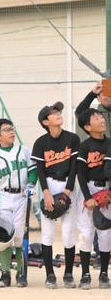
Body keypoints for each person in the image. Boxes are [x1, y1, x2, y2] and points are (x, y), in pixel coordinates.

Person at [31, 102, 79, 289]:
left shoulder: (72, 138)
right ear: (45, 121)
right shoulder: (41, 142)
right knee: (48, 232)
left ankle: (68, 274)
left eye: (58, 111)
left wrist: (67, 192)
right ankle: (50, 274)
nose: (58, 114)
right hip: (49, 186)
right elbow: (40, 170)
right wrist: (46, 193)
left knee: (68, 233)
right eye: (53, 113)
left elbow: (74, 166)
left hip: (69, 185)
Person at [0, 119, 37, 288]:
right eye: (6, 130)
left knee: (19, 235)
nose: (11, 132)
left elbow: (33, 170)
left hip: (22, 195)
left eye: (12, 128)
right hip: (4, 197)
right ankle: (6, 273)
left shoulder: (23, 150)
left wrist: (31, 183)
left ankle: (21, 273)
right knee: (5, 236)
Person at [77, 109, 110, 289]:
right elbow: (81, 174)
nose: (101, 119)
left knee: (106, 233)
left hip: (107, 190)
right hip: (88, 188)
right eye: (96, 118)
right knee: (86, 233)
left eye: (101, 116)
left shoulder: (110, 143)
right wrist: (88, 197)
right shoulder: (85, 146)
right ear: (88, 126)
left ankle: (104, 274)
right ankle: (85, 275)